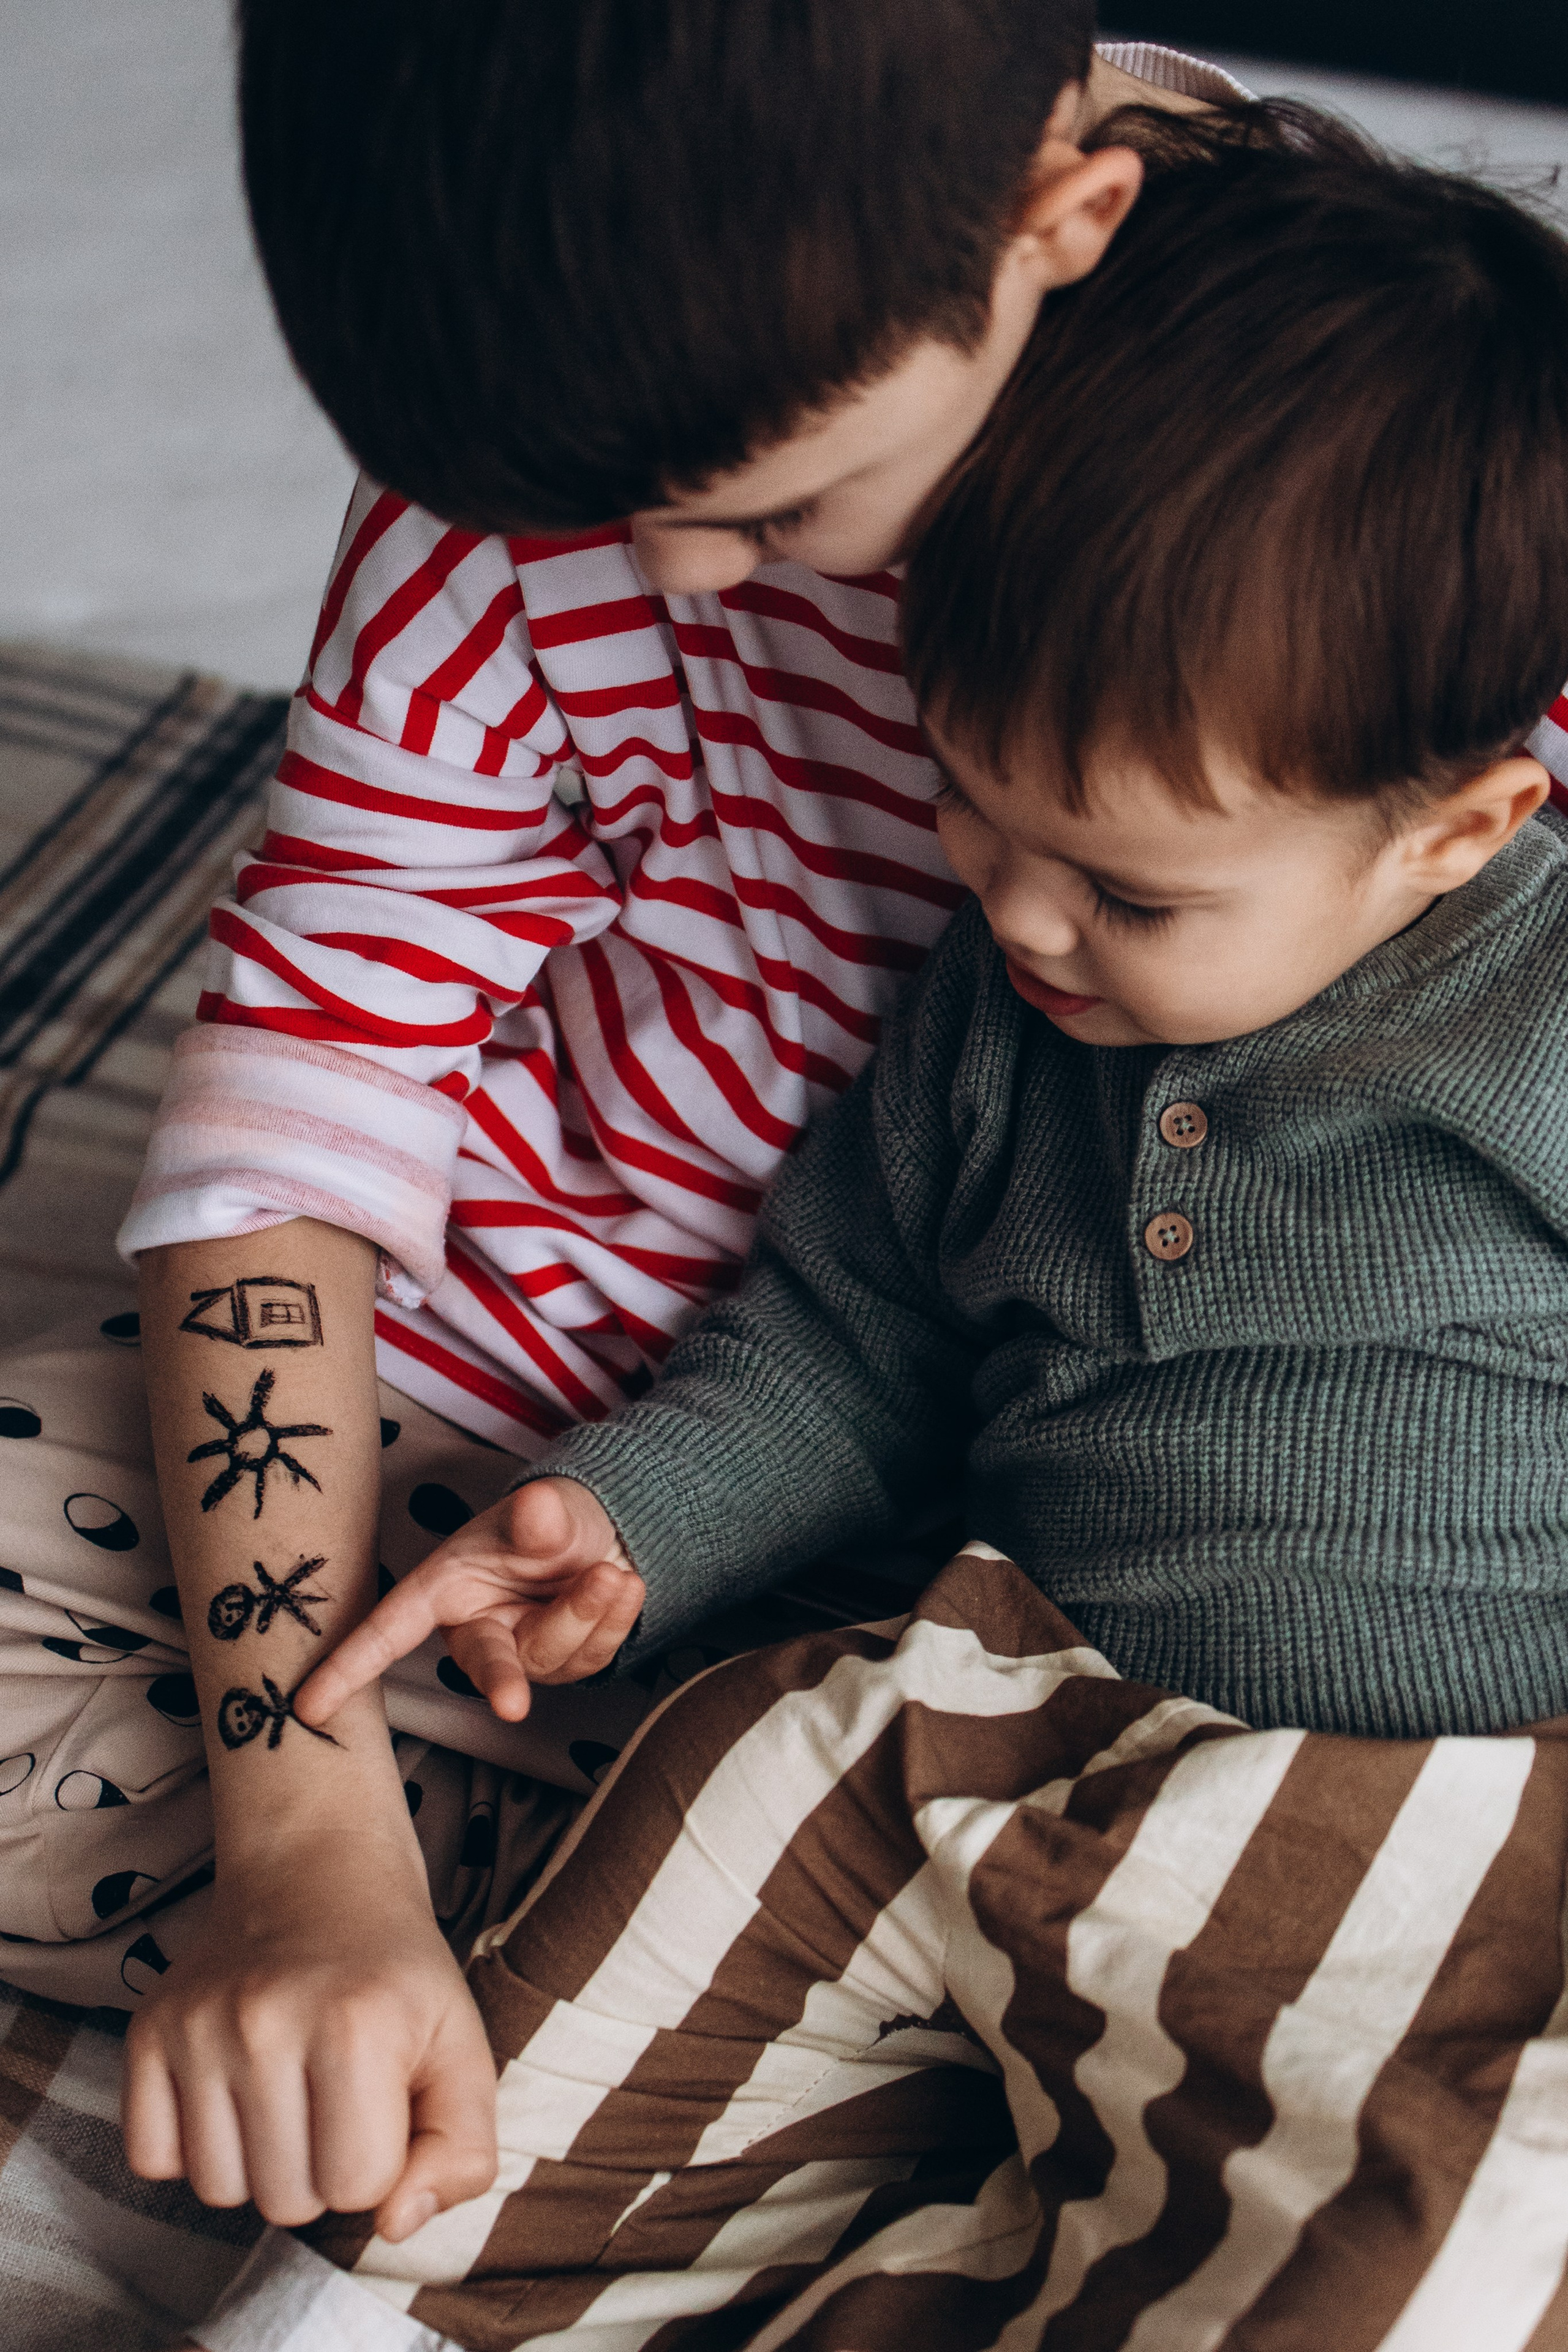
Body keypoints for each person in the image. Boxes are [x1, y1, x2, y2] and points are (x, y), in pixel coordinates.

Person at [182, 108, 1568, 2348]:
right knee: (710, 1799)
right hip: (987, 1714)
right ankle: (395, 2289)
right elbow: (840, 1338)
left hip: (1431, 1788)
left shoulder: (1533, 984)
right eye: (968, 816)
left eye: (1125, 890)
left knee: (1427, 2191)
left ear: (1459, 832)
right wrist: (624, 1515)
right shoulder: (990, 1014)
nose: (1013, 920)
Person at [0, 0, 1248, 2257]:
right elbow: (311, 1084)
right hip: (525, 1491)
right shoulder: (546, 410)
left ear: (1065, 219)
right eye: (579, 515)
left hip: (1132, 1560)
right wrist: (305, 1842)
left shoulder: (1386, 466)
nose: (672, 583)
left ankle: (750, 1980)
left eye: (773, 511)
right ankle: (753, 2009)